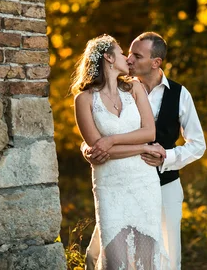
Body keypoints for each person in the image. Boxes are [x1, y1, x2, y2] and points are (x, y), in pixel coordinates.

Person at [83, 32, 206, 270]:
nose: (129, 59)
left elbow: (198, 144)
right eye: (127, 53)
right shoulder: (121, 88)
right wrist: (87, 146)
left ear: (155, 62)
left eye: (137, 56)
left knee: (167, 258)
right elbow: (100, 126)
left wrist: (166, 157)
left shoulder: (180, 95)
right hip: (122, 183)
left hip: (164, 186)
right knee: (96, 254)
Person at [72, 34, 170, 270]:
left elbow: (149, 131)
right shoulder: (83, 99)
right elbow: (98, 149)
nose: (127, 57)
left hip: (143, 181)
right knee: (115, 260)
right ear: (108, 57)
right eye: (121, 52)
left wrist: (113, 140)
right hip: (110, 185)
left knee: (147, 259)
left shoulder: (134, 88)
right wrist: (143, 149)